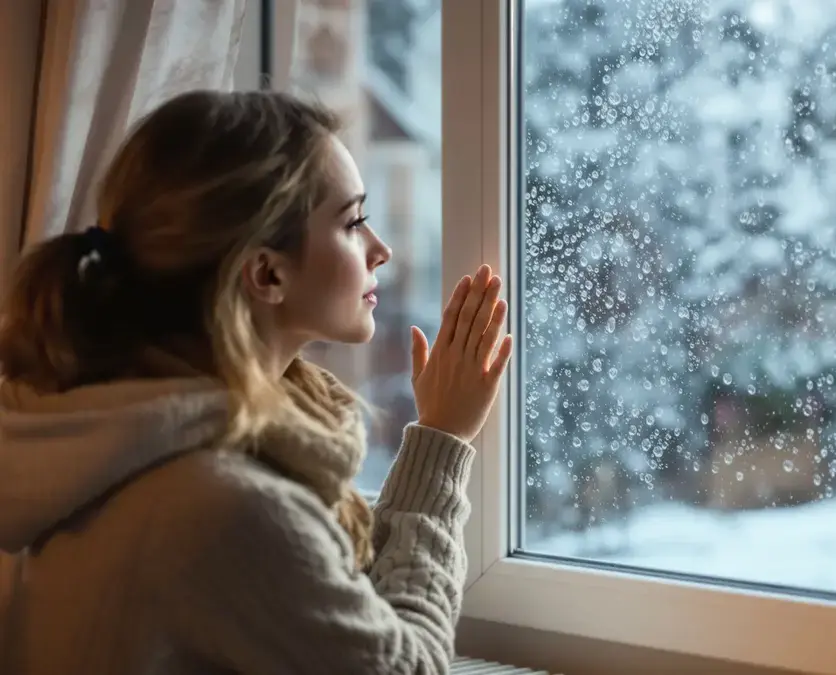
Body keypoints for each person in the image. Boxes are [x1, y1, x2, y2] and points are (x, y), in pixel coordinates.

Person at [0, 89, 512, 674]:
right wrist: (442, 442)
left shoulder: (119, 440)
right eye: (353, 222)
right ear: (267, 271)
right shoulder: (220, 506)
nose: (381, 250)